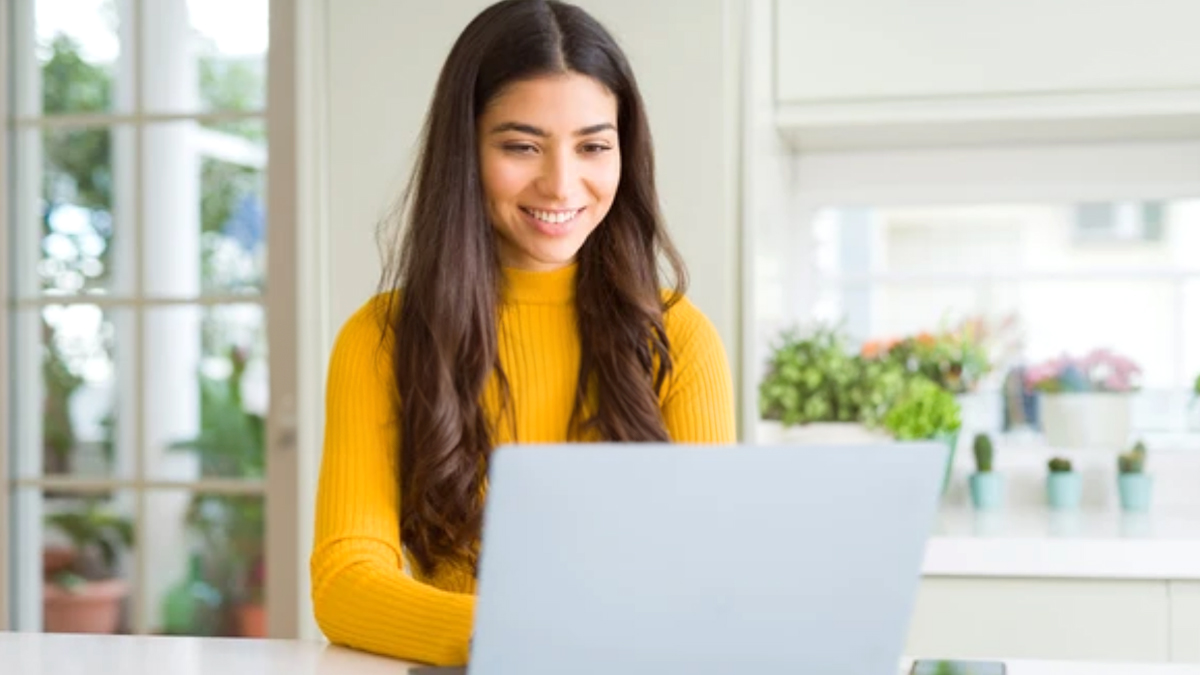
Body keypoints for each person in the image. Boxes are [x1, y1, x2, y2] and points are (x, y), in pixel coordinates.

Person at [310, 0, 736, 666]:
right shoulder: (381, 339)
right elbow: (346, 582)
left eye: (593, 146)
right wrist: (524, 636)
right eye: (521, 146)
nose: (561, 184)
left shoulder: (679, 337)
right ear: (466, 150)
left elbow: (710, 580)